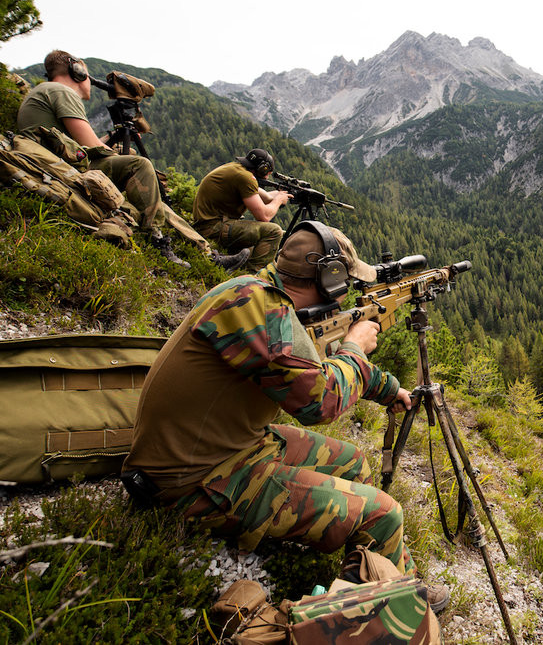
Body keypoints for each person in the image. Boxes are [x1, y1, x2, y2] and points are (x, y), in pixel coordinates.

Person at [121, 220, 449, 612]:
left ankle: (364, 572)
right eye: (342, 283)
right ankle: (399, 604)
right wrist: (356, 348)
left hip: (230, 446)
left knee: (355, 463)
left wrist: (385, 387)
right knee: (385, 513)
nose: (345, 295)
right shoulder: (260, 311)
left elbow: (311, 360)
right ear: (327, 279)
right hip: (196, 481)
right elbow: (319, 403)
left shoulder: (259, 293)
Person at [16, 49, 249, 271]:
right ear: (78, 72)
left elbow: (78, 144)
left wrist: (112, 139)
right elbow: (92, 148)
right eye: (87, 76)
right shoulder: (61, 92)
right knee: (140, 165)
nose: (90, 82)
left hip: (53, 163)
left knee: (150, 195)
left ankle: (207, 254)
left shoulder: (44, 91)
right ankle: (158, 241)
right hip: (63, 169)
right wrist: (119, 155)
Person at [193, 149, 290, 270]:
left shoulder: (237, 170)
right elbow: (264, 216)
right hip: (213, 228)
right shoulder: (245, 178)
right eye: (268, 172)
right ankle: (254, 276)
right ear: (262, 169)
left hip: (210, 224)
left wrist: (282, 194)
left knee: (283, 236)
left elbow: (265, 196)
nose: (267, 176)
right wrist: (279, 200)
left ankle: (242, 270)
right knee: (274, 231)